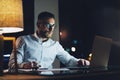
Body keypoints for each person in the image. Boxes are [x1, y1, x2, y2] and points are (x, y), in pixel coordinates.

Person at [8, 11, 90, 70]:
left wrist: (79, 61)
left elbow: (68, 60)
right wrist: (25, 65)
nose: (51, 29)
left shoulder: (55, 45)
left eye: (53, 25)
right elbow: (12, 64)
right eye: (47, 25)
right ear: (38, 25)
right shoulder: (23, 40)